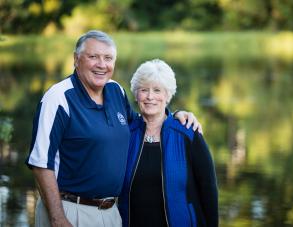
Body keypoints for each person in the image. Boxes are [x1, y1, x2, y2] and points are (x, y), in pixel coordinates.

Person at [25, 30, 201, 227]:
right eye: (93, 57)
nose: (102, 64)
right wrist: (58, 218)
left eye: (108, 58)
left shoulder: (116, 90)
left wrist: (175, 116)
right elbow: (40, 163)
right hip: (70, 210)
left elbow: (142, 123)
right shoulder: (58, 98)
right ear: (76, 59)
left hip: (111, 214)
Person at [118, 59, 218, 227]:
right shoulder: (125, 134)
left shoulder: (187, 133)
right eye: (144, 90)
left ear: (167, 95)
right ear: (136, 95)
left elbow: (208, 188)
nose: (150, 96)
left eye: (157, 90)